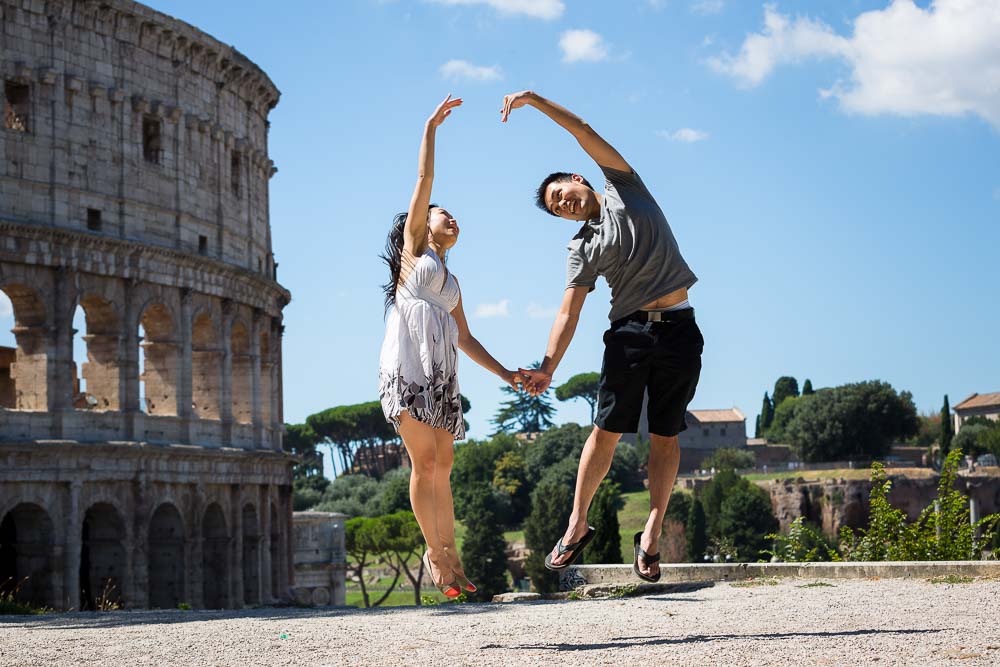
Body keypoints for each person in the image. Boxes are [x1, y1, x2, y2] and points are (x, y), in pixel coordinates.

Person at [501, 90, 703, 582]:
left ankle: (651, 533)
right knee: (606, 430)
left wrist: (533, 101)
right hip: (629, 334)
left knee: (665, 434)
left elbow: (583, 131)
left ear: (578, 179)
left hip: (680, 328)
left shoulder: (625, 188)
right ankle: (577, 523)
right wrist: (548, 367)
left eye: (562, 194)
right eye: (556, 209)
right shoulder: (582, 247)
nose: (564, 205)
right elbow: (568, 311)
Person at [378, 94, 523, 597]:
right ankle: (435, 554)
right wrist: (430, 127)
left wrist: (507, 375)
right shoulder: (413, 258)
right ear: (420, 226)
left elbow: (467, 337)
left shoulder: (452, 284)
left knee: (445, 468)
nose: (452, 219)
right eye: (446, 215)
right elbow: (424, 182)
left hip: (443, 377)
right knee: (425, 464)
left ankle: (450, 552)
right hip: (410, 370)